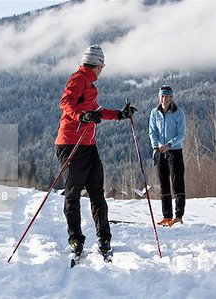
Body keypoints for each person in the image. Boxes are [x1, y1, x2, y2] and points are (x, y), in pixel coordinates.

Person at [55, 44, 136, 255]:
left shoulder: (89, 85)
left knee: (97, 194)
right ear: (98, 65)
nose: (102, 70)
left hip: (89, 146)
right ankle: (75, 240)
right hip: (71, 144)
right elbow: (66, 102)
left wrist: (120, 114)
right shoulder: (78, 79)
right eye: (103, 66)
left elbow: (96, 111)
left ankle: (104, 238)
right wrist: (82, 116)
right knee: (72, 195)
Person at [148, 85, 186, 227]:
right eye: (162, 96)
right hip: (159, 151)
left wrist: (169, 145)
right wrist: (156, 146)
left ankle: (178, 215)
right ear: (159, 97)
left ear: (171, 98)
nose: (165, 99)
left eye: (167, 96)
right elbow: (152, 132)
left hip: (174, 151)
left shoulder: (178, 113)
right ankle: (167, 216)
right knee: (163, 184)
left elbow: (181, 134)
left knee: (177, 183)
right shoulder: (154, 113)